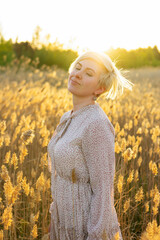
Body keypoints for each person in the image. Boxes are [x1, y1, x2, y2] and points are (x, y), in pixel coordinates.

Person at [47, 51, 133, 240]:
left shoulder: (96, 124)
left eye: (88, 73)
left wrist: (94, 236)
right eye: (77, 68)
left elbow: (103, 191)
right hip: (64, 225)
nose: (77, 74)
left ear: (100, 89)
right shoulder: (67, 117)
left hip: (85, 227)